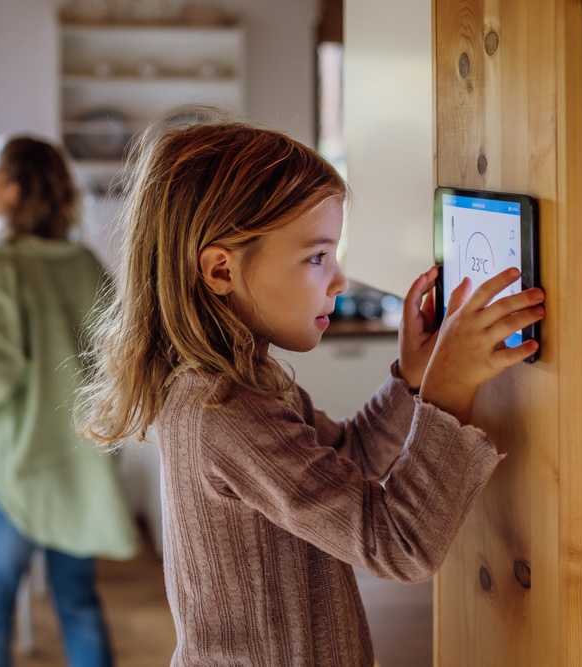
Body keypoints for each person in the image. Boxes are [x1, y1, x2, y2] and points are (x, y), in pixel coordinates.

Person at [76, 114, 546, 665]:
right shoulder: (222, 412)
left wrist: (412, 382)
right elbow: (400, 547)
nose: (340, 281)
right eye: (317, 257)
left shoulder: (242, 385)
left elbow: (345, 460)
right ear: (220, 271)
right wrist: (448, 391)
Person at [0, 136, 139, 667]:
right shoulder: (86, 264)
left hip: (18, 470)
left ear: (18, 190)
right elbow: (117, 361)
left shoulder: (5, 266)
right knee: (77, 603)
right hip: (78, 465)